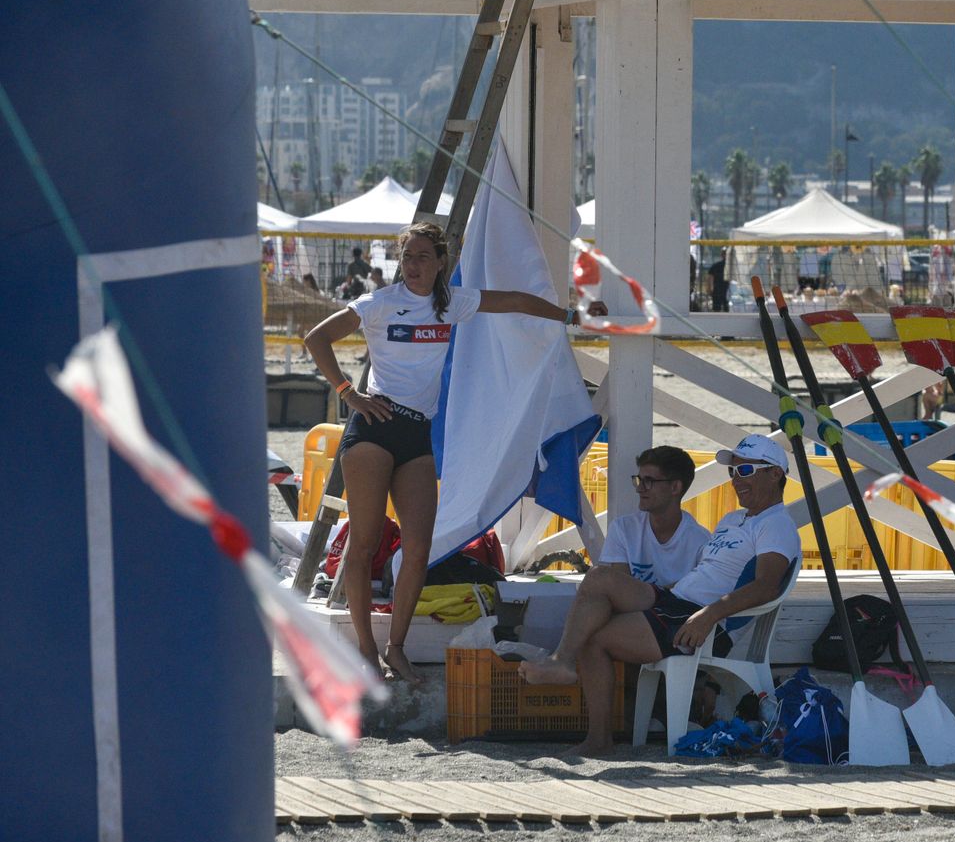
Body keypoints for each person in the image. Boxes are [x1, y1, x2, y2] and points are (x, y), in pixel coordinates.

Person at [304, 220, 606, 683]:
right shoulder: (379, 302)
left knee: (419, 548)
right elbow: (316, 338)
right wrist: (349, 392)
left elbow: (514, 302)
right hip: (373, 430)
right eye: (407, 257)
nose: (414, 266)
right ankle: (365, 647)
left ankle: (395, 647)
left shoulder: (453, 304)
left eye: (424, 257)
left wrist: (569, 317)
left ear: (441, 262)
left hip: (416, 435)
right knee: (363, 546)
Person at [518, 433, 799, 756]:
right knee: (598, 580)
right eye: (732, 472)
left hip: (697, 617)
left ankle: (590, 722)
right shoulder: (733, 519)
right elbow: (705, 575)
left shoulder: (776, 524)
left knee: (594, 638)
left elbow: (766, 586)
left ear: (775, 474)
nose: (736, 481)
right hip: (677, 601)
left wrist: (709, 616)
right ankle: (564, 666)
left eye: (745, 471)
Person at [597, 446, 709, 589]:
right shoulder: (623, 528)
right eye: (639, 480)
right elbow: (620, 590)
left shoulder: (702, 542)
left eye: (649, 481)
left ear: (675, 487)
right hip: (631, 608)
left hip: (676, 611)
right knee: (596, 577)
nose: (639, 488)